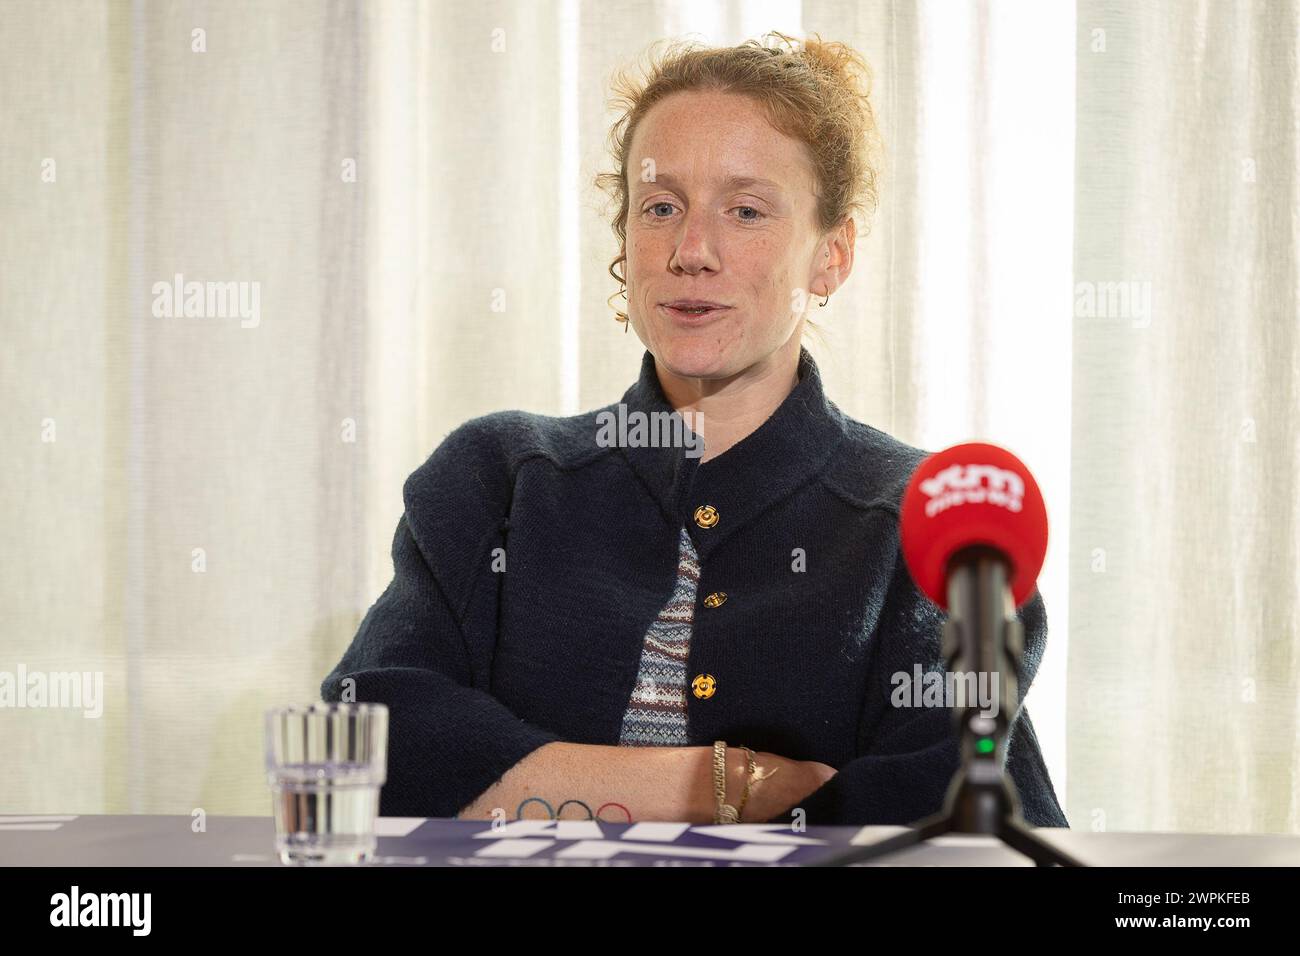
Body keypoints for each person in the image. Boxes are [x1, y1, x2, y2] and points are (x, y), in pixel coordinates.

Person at [321, 32, 1068, 829]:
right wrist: (722, 784)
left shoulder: (933, 520)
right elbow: (358, 741)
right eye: (661, 207)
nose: (691, 251)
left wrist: (519, 783)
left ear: (833, 255)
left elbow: (959, 818)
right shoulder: (499, 475)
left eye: (745, 211)